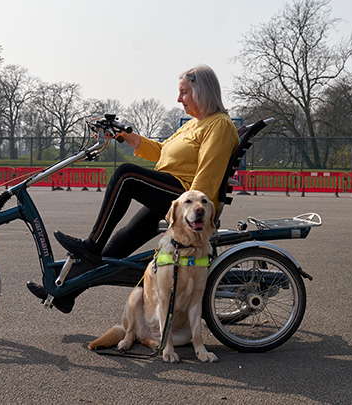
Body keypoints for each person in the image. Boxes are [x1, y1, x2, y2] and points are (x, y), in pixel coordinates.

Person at [27, 65, 240, 312]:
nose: (178, 99)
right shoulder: (193, 125)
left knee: (126, 175)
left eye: (184, 93)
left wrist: (194, 218)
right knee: (120, 243)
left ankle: (91, 246)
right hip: (174, 194)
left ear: (201, 91)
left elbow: (207, 176)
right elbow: (161, 151)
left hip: (186, 200)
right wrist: (124, 135)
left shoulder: (219, 126)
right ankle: (67, 292)